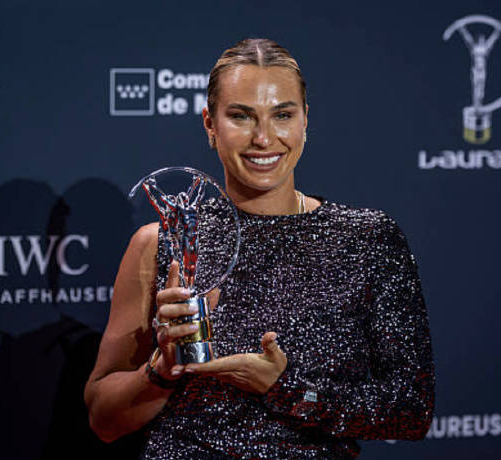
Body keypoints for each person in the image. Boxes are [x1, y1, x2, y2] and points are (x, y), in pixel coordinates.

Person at [84, 38, 435, 459]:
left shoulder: (367, 239)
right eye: (241, 116)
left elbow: (411, 412)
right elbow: (103, 420)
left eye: (282, 115)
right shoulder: (161, 244)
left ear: (305, 121)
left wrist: (287, 388)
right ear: (210, 124)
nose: (264, 138)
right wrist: (162, 369)